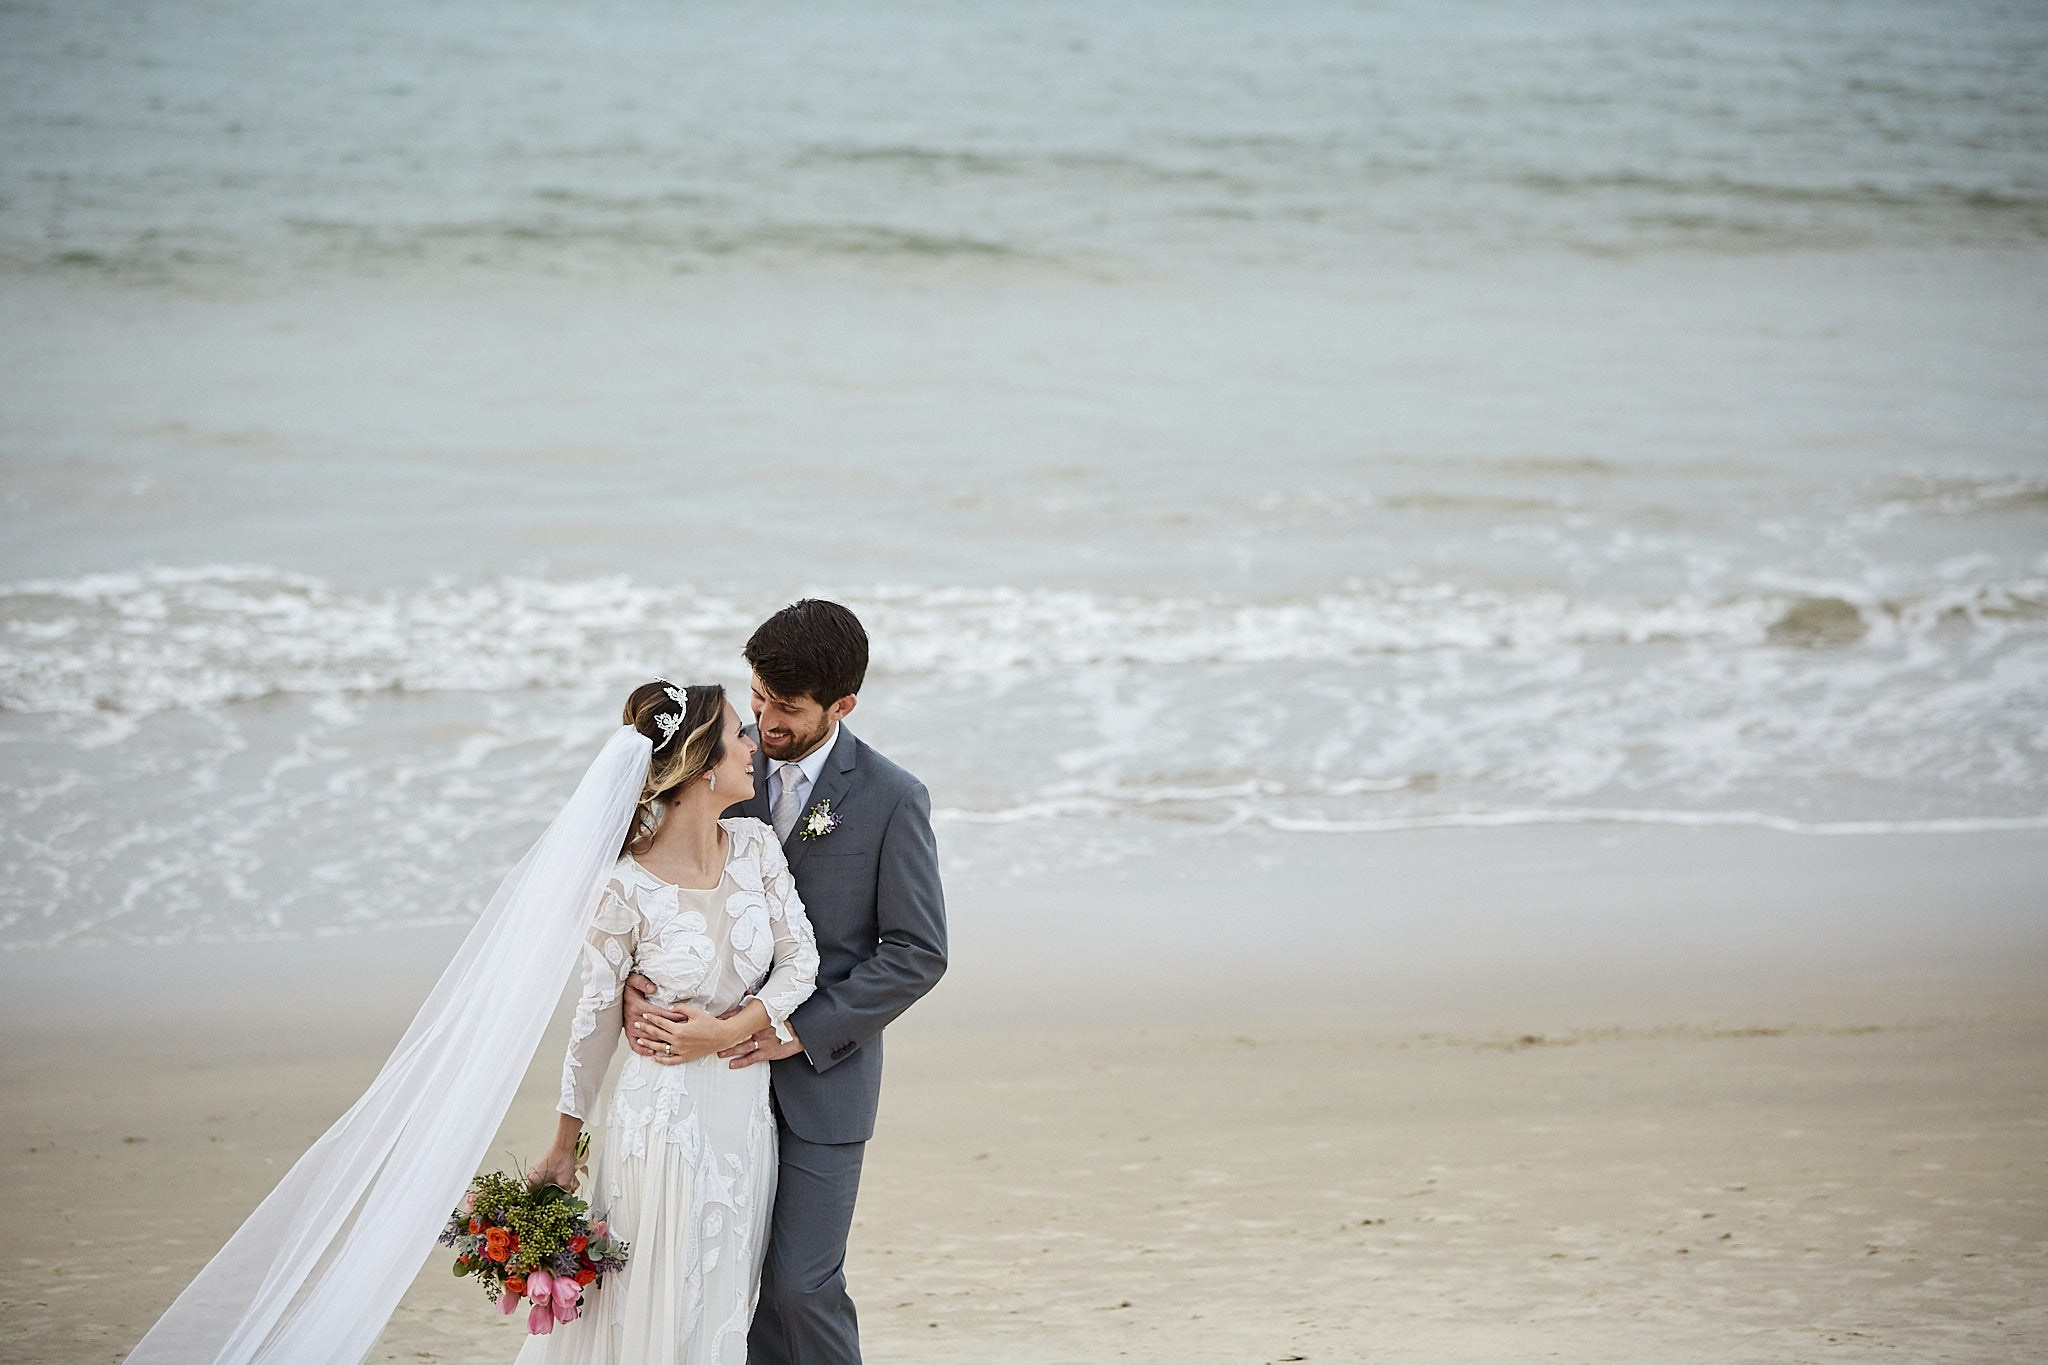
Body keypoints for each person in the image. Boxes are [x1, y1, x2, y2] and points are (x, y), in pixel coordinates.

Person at [623, 600, 948, 1365]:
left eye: (787, 709)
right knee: (727, 1286)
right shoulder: (719, 764)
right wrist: (636, 973)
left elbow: (917, 951)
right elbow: (648, 874)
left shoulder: (892, 797)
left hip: (822, 1082)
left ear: (842, 706)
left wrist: (797, 1028)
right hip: (709, 1078)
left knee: (802, 1286)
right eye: (758, 697)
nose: (764, 721)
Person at [516, 680, 820, 1363]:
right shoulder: (623, 885)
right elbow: (595, 1024)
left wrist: (730, 1029)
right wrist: (563, 1145)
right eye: (739, 734)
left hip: (743, 1118)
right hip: (661, 1124)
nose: (753, 746)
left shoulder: (756, 846)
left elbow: (802, 962)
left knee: (722, 1306)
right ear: (702, 765)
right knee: (653, 1304)